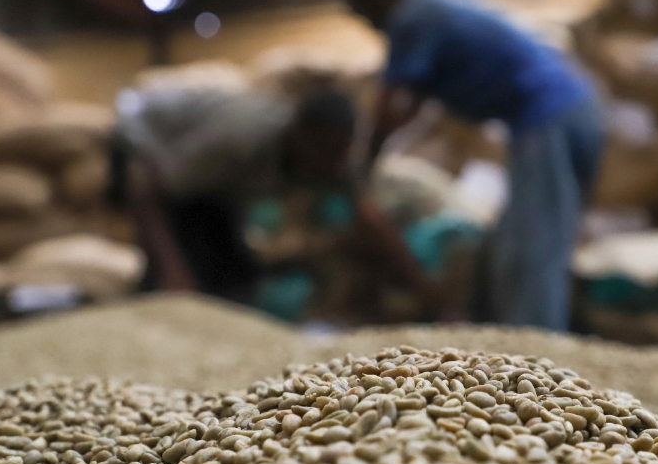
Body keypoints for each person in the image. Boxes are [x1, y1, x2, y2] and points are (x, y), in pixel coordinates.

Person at [343, 0, 605, 331]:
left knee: (535, 242)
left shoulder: (411, 19)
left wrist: (363, 165)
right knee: (524, 235)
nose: (366, 24)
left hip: (549, 114)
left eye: (362, 13)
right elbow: (412, 105)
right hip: (567, 112)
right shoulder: (434, 9)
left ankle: (537, 349)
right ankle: (523, 332)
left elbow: (389, 104)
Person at [113, 85, 442, 315]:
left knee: (236, 277)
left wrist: (428, 294)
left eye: (343, 152)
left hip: (212, 186)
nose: (334, 165)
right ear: (298, 135)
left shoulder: (332, 159)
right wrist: (173, 272)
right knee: (181, 269)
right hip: (146, 141)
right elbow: (147, 189)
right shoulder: (238, 141)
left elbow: (370, 219)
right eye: (328, 152)